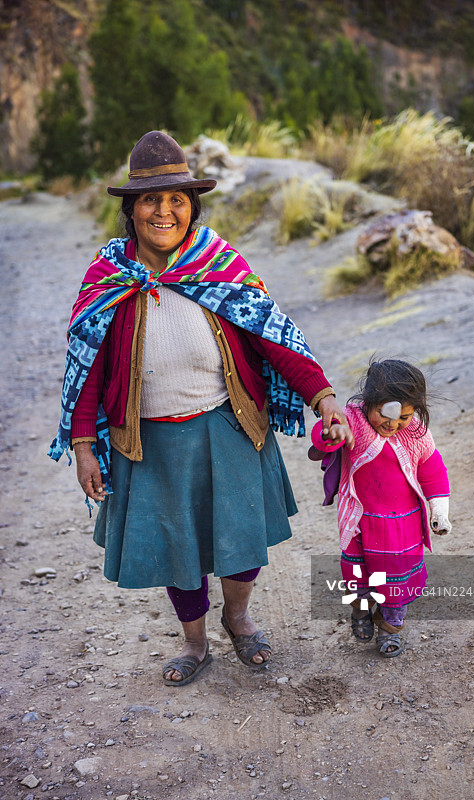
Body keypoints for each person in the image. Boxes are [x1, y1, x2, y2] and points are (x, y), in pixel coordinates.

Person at [49, 130, 353, 686]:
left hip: (227, 425)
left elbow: (274, 337)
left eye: (177, 200)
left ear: (192, 207)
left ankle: (238, 619)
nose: (164, 211)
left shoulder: (218, 263)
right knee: (177, 550)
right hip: (151, 440)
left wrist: (322, 396)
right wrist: (83, 444)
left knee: (240, 542)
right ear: (130, 209)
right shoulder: (108, 277)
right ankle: (195, 643)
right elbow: (88, 369)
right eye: (150, 199)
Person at [308, 359, 451, 657]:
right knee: (357, 577)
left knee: (397, 581)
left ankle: (390, 627)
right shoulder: (353, 422)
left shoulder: (416, 434)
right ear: (368, 402)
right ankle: (360, 612)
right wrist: (332, 433)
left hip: (403, 527)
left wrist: (440, 511)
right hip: (362, 522)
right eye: (386, 413)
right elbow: (324, 437)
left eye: (404, 416)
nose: (393, 423)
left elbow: (433, 471)